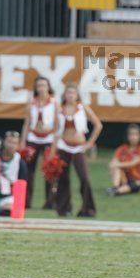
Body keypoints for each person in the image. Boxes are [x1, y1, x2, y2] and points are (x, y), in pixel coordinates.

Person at [52, 83, 102, 217]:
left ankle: (88, 209)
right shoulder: (59, 110)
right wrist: (52, 152)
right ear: (64, 95)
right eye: (68, 93)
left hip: (79, 147)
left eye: (73, 93)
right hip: (63, 146)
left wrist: (90, 143)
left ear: (77, 95)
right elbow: (56, 132)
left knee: (84, 178)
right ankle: (63, 208)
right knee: (63, 178)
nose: (70, 95)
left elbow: (98, 125)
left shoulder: (83, 108)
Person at [20, 76, 58, 209]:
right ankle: (26, 202)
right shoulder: (32, 103)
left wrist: (55, 140)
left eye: (44, 85)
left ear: (48, 87)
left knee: (49, 170)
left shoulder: (54, 102)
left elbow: (58, 123)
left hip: (48, 138)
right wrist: (23, 142)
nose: (41, 88)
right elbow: (27, 123)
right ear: (35, 88)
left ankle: (50, 202)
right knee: (28, 170)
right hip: (33, 137)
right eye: (39, 86)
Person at [107, 124, 140, 196]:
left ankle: (117, 191)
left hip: (136, 179)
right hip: (124, 178)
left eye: (136, 134)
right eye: (131, 134)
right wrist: (113, 166)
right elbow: (113, 161)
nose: (133, 137)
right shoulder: (121, 148)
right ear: (127, 136)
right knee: (116, 168)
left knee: (137, 184)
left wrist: (116, 164)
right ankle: (115, 187)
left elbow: (132, 163)